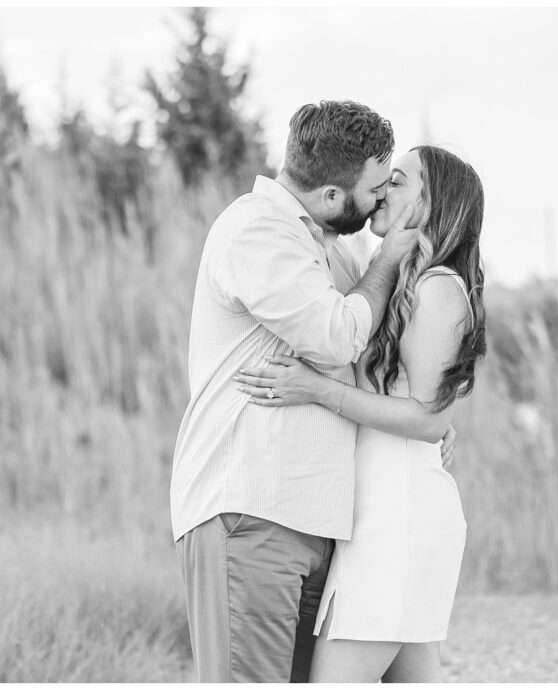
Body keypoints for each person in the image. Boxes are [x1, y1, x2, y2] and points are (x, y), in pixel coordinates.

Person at [169, 101, 457, 683]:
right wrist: (387, 258)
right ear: (331, 194)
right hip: (251, 510)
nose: (381, 201)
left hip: (310, 520)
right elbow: (338, 337)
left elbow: (369, 361)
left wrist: (430, 418)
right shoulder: (258, 230)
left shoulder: (326, 246)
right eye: (376, 188)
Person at [234, 145, 486, 682]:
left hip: (399, 519)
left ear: (430, 202)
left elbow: (429, 419)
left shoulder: (438, 287)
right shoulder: (399, 283)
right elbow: (418, 403)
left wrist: (317, 390)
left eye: (397, 182)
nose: (381, 192)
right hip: (380, 515)